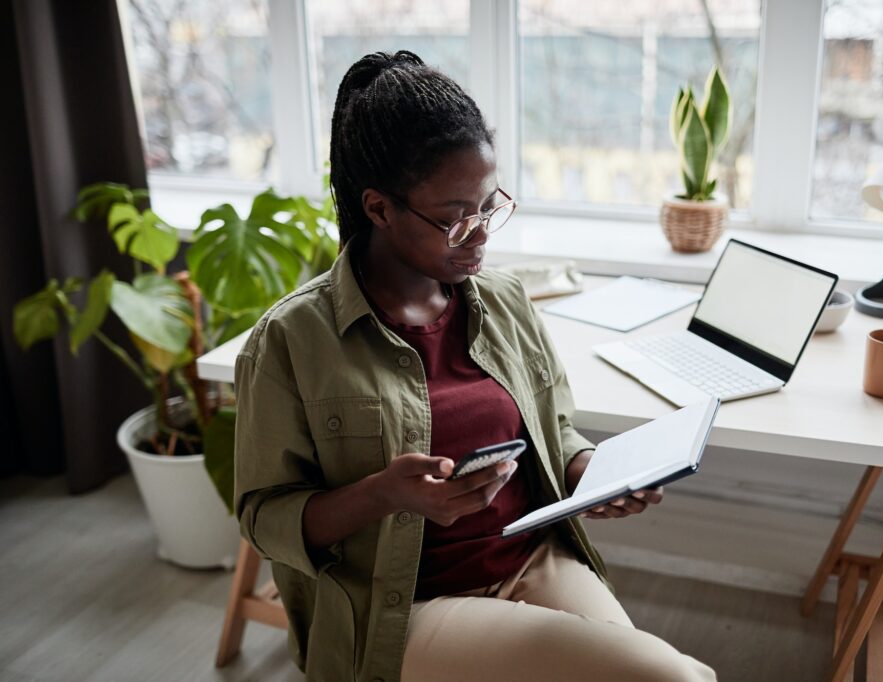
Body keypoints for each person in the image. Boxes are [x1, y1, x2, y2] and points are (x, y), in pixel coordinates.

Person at [233, 50, 716, 682]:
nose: (482, 234)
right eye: (457, 218)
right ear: (379, 208)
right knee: (669, 676)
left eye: (490, 205)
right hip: (403, 604)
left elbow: (554, 428)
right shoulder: (293, 341)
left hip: (529, 557)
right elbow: (264, 519)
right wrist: (385, 494)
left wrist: (589, 471)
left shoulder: (506, 301)